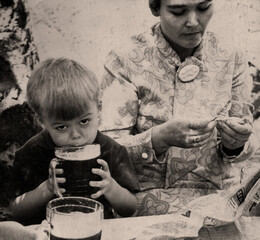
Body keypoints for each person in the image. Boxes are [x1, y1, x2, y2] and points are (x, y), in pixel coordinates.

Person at [100, 0, 259, 215]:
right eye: (178, 11)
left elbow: (246, 145)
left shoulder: (231, 55)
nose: (193, 22)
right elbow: (106, 151)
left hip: (216, 205)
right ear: (155, 8)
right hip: (142, 205)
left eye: (203, 8)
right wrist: (158, 138)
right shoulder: (126, 59)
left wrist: (236, 144)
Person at [8, 58, 139, 225]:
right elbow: (14, 211)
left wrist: (111, 188)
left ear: (98, 108)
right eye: (62, 127)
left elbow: (131, 208)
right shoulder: (31, 152)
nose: (76, 135)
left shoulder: (112, 150)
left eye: (84, 121)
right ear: (42, 121)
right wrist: (46, 189)